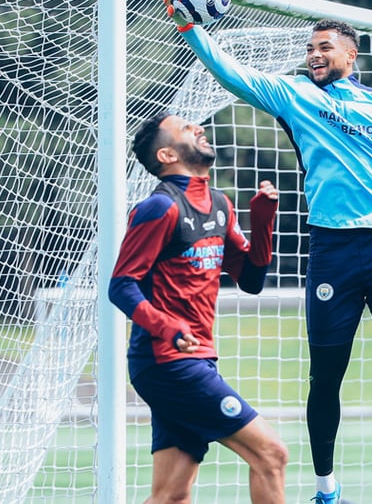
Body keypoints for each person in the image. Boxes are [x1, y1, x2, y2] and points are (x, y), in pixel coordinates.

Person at [163, 0, 372, 504]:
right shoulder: (295, 95)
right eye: (310, 48)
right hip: (332, 252)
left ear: (352, 53)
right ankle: (326, 491)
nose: (313, 55)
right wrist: (190, 27)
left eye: (324, 47)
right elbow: (230, 73)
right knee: (326, 375)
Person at [108, 112, 288, 504]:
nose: (199, 128)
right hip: (168, 362)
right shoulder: (159, 208)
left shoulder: (220, 204)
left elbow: (252, 280)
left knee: (172, 495)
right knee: (271, 455)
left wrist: (263, 220)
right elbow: (121, 286)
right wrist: (167, 327)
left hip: (194, 359)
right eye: (187, 128)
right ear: (168, 154)